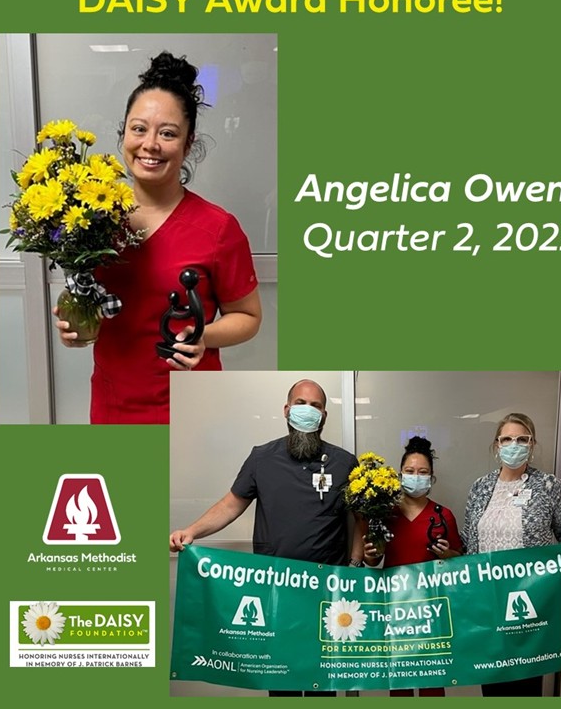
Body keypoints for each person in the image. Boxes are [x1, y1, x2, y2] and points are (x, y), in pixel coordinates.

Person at [54, 51, 262, 424]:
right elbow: (96, 301)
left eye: (167, 133)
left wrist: (203, 336)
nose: (150, 144)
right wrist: (75, 324)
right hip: (111, 401)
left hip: (186, 410)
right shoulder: (95, 217)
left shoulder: (217, 228)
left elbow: (247, 317)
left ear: (188, 143)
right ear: (124, 134)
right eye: (138, 129)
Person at [170, 379, 365, 698]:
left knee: (320, 686)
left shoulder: (345, 463)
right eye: (300, 403)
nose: (307, 410)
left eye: (315, 406)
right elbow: (230, 505)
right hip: (275, 594)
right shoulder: (262, 458)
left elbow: (360, 520)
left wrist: (356, 566)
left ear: (325, 416)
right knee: (281, 684)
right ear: (287, 410)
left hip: (325, 598)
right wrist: (191, 531)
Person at [462, 413, 561, 697]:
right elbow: (470, 542)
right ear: (496, 445)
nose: (513, 445)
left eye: (521, 439)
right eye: (507, 439)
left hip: (529, 603)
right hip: (488, 602)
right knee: (491, 678)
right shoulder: (480, 488)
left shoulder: (548, 486)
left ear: (532, 444)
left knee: (524, 681)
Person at [363, 436, 463, 698]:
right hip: (396, 613)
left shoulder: (443, 515)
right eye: (410, 471)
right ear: (399, 475)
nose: (416, 477)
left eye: (422, 472)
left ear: (432, 478)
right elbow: (373, 561)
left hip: (432, 613)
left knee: (432, 684)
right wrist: (371, 554)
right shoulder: (385, 513)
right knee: (400, 684)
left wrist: (447, 554)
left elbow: (459, 561)